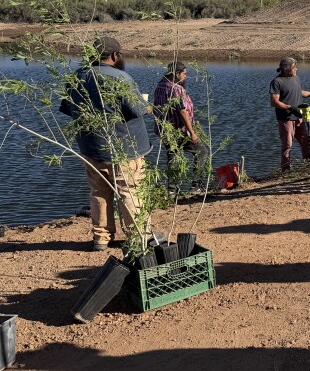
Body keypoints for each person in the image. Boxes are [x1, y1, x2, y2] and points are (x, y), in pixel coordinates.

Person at [59, 37, 152, 251]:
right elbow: (137, 109)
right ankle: (138, 237)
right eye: (120, 55)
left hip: (91, 148)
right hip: (125, 149)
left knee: (99, 192)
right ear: (115, 56)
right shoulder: (121, 78)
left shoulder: (77, 77)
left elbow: (68, 109)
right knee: (130, 191)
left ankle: (101, 238)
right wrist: (146, 105)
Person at [153, 61, 209, 191]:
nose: (185, 76)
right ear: (176, 73)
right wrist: (192, 132)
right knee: (201, 152)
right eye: (184, 74)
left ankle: (172, 189)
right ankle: (196, 186)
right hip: (180, 130)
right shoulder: (176, 89)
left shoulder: (160, 86)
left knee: (173, 157)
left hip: (166, 130)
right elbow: (182, 111)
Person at [269, 57, 310, 171]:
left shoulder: (296, 78)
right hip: (286, 118)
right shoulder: (277, 82)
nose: (296, 69)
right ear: (286, 69)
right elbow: (274, 101)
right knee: (288, 144)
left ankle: (309, 166)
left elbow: (299, 92)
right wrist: (290, 108)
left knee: (305, 141)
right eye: (294, 67)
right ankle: (286, 169)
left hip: (299, 116)